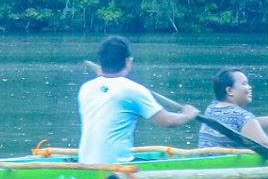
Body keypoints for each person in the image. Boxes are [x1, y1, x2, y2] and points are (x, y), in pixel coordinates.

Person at [77, 35, 197, 164]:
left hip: (85, 163)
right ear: (128, 61)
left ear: (101, 62)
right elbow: (166, 121)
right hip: (117, 165)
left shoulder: (86, 88)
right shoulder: (132, 89)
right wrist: (187, 115)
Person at [197, 68, 268, 151]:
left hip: (204, 162)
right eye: (244, 84)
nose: (249, 87)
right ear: (230, 90)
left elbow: (246, 125)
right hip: (226, 167)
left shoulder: (211, 109)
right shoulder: (240, 115)